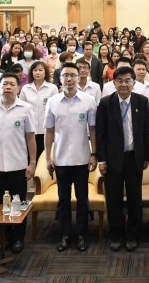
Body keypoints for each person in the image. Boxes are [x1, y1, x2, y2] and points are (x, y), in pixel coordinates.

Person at [96, 66, 149, 252]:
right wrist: (101, 160)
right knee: (114, 199)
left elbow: (146, 131)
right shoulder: (105, 103)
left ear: (133, 83)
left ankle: (132, 235)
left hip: (134, 157)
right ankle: (115, 235)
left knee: (135, 199)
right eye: (120, 81)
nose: (124, 84)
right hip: (113, 160)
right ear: (114, 83)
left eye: (128, 80)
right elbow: (101, 134)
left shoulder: (141, 101)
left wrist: (146, 156)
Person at [44, 62, 97, 253]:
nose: (69, 79)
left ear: (80, 76)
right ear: (60, 78)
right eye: (65, 75)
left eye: (73, 75)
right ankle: (65, 235)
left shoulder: (88, 100)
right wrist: (48, 158)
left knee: (83, 199)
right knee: (63, 200)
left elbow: (92, 129)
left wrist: (94, 154)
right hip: (61, 159)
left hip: (82, 158)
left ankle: (82, 235)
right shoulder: (53, 102)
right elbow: (49, 131)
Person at [0, 72, 37, 254]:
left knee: (18, 202)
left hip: (18, 165)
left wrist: (32, 162)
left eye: (12, 84)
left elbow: (30, 138)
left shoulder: (25, 108)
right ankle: (7, 236)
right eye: (4, 84)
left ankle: (19, 237)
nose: (8, 87)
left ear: (18, 88)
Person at [20, 61, 58, 160]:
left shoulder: (52, 88)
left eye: (40, 70)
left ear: (45, 72)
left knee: (44, 158)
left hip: (46, 130)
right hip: (29, 129)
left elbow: (55, 110)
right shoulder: (25, 88)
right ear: (31, 73)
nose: (38, 72)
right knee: (30, 158)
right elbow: (21, 109)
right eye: (35, 70)